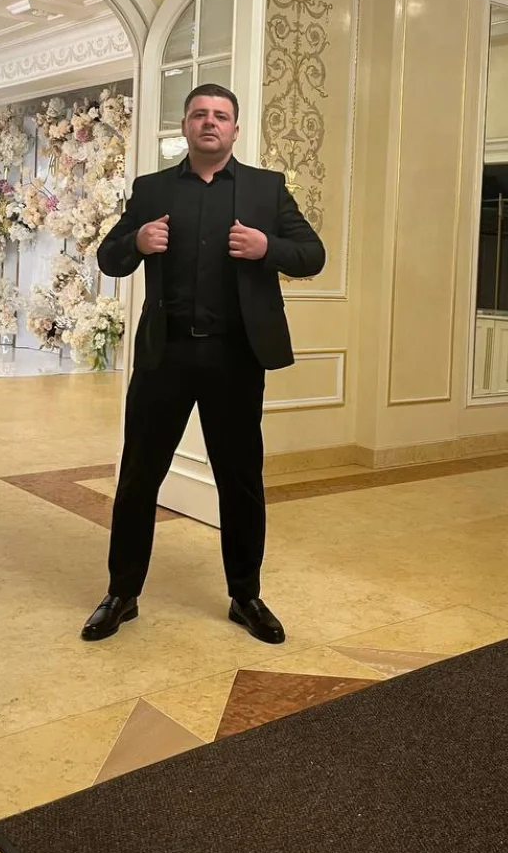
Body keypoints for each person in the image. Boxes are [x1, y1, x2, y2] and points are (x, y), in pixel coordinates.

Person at [81, 83, 325, 646]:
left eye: (220, 115)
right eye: (199, 114)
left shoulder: (266, 189)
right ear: (185, 126)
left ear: (235, 129)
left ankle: (246, 595)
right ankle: (122, 593)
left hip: (236, 357)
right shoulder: (153, 189)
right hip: (165, 357)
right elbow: (109, 257)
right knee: (139, 476)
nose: (209, 122)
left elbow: (313, 254)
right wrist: (138, 242)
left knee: (240, 481)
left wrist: (268, 248)